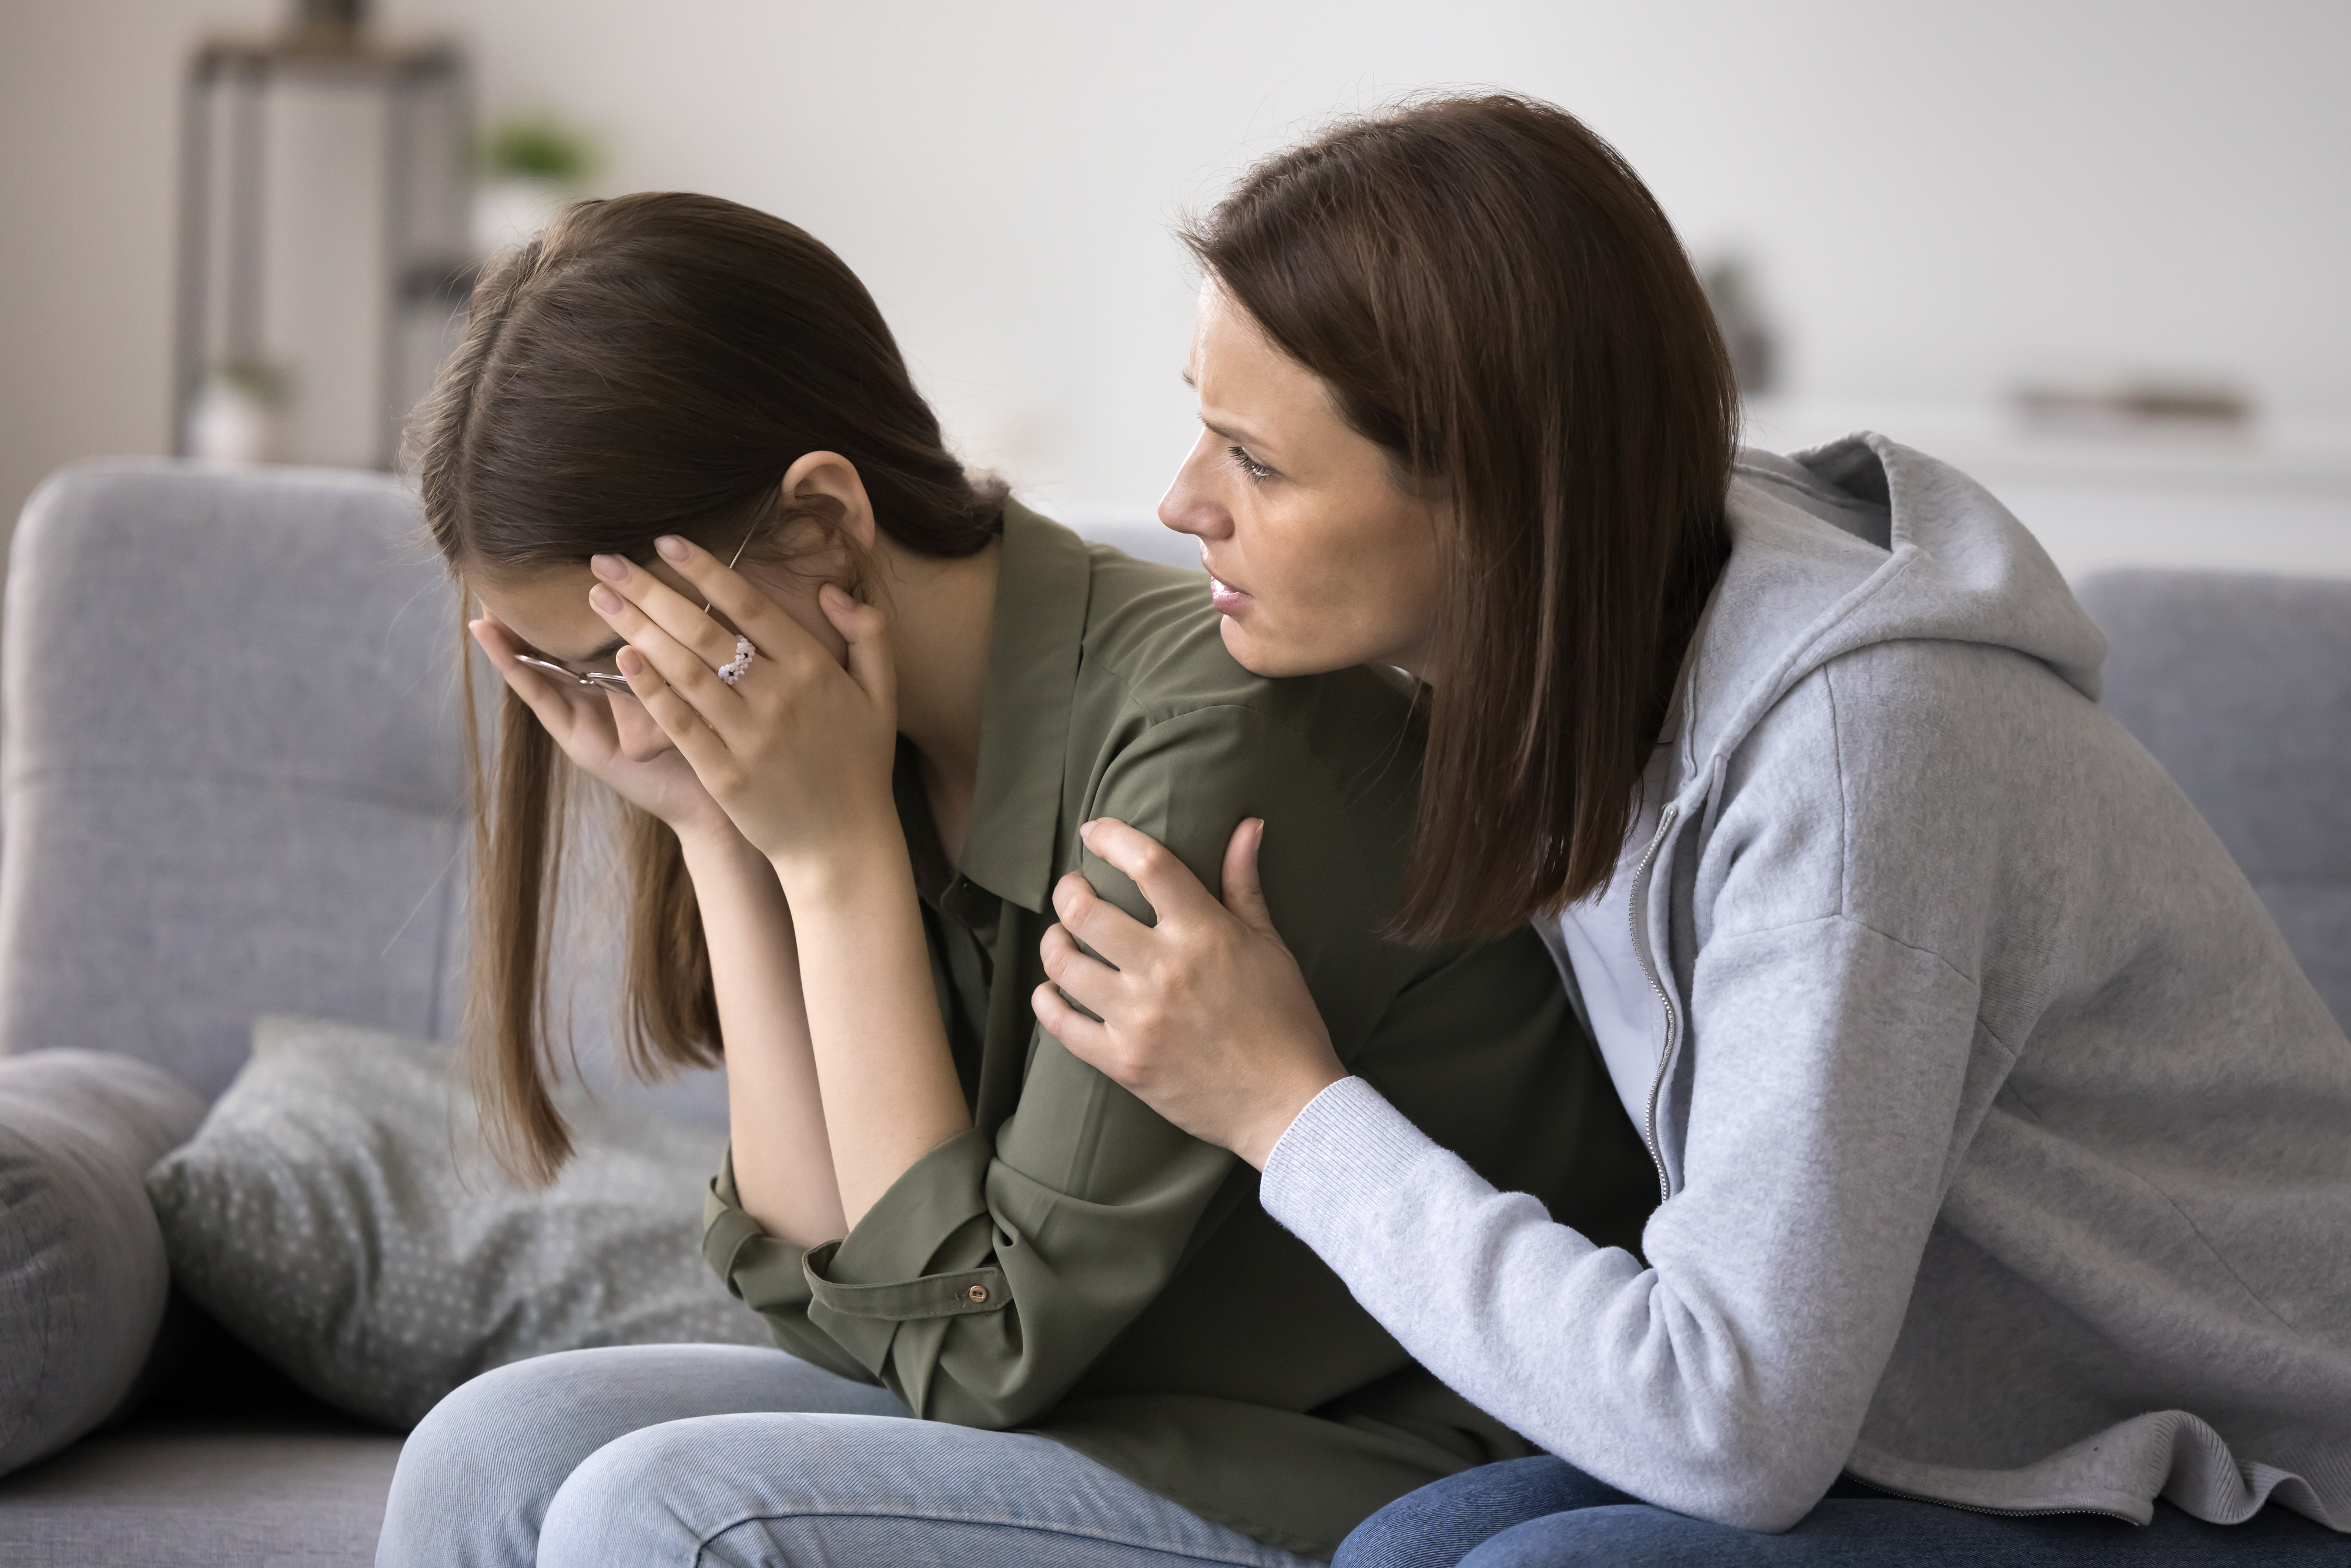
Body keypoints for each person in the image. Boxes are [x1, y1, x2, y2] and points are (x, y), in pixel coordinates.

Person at [1033, 95, 2351, 1565]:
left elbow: (1727, 1424)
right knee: (1412, 1542)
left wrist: (1281, 1104)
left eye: (1254, 462)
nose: (1179, 499)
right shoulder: (1585, 628)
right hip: (1939, 1430)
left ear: (1493, 491)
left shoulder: (1853, 755)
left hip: (2261, 1468)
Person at [374, 190, 1659, 1568]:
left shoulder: (1206, 742)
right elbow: (828, 1290)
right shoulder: (853, 743)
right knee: (490, 1446)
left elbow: (969, 1346)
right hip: (1109, 1408)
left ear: (819, 519)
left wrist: (832, 856)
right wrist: (710, 825)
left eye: (624, 659)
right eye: (571, 680)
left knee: (661, 1513)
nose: (623, 721)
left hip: (1368, 1460)